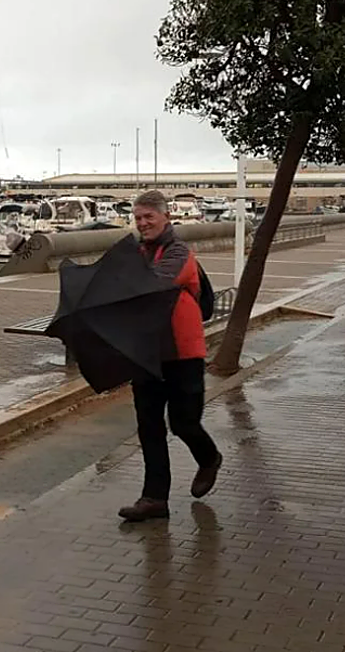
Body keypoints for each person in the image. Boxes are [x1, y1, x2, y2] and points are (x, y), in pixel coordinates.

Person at [118, 190, 223, 522]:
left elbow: (154, 284)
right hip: (147, 354)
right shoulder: (136, 253)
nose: (143, 223)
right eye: (137, 218)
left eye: (149, 217)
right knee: (149, 427)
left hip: (182, 353)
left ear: (166, 217)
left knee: (183, 423)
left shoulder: (178, 252)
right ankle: (154, 499)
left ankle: (209, 458)